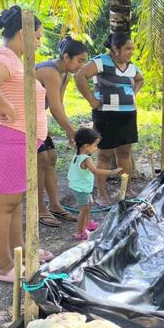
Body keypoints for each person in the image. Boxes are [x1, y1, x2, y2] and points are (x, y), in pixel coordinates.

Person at [0, 6, 52, 283]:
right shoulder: (5, 58)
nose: (40, 43)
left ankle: (20, 254)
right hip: (5, 140)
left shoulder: (13, 59)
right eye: (38, 37)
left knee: (13, 203)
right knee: (3, 206)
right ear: (22, 33)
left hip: (14, 141)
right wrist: (7, 107)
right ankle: (4, 266)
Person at [74, 32, 143, 205]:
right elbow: (79, 76)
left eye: (132, 48)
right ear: (115, 48)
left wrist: (132, 95)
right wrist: (91, 100)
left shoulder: (131, 66)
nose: (131, 52)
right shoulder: (101, 61)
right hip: (106, 115)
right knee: (104, 155)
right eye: (127, 48)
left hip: (128, 115)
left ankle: (126, 190)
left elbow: (140, 79)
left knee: (124, 153)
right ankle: (102, 195)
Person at [35, 37, 89, 227]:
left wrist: (68, 131)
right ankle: (39, 209)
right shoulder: (50, 72)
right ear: (66, 56)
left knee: (51, 158)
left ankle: (55, 205)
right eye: (79, 61)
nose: (81, 65)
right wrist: (72, 132)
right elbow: (55, 109)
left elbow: (59, 105)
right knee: (39, 160)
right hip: (22, 119)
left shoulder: (65, 74)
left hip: (37, 119)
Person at [68, 127, 122, 241]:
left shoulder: (77, 153)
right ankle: (80, 232)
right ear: (86, 145)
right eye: (95, 145)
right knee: (83, 210)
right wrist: (112, 171)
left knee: (90, 204)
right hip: (81, 189)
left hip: (81, 187)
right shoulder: (86, 159)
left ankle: (87, 224)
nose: (96, 148)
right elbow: (96, 171)